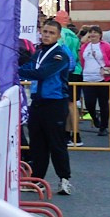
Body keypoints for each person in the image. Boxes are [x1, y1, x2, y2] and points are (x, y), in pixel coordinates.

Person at [20, 16, 75, 194]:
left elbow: (42, 73)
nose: (46, 35)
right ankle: (38, 180)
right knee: (37, 144)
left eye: (51, 33)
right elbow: (29, 65)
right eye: (44, 32)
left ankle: (64, 179)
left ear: (58, 36)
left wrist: (16, 70)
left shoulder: (60, 55)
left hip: (55, 104)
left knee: (56, 143)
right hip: (37, 103)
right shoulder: (39, 52)